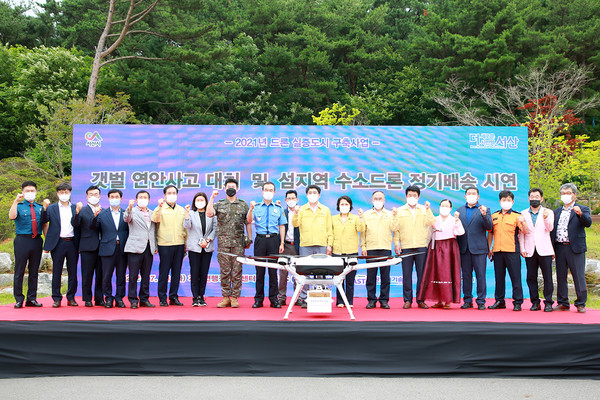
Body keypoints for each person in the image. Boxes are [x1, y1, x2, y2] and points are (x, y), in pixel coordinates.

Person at [207, 178, 252, 308]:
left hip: (238, 243)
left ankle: (235, 298)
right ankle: (225, 297)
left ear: (237, 189)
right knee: (225, 271)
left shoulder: (243, 204)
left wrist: (249, 239)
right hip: (223, 243)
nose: (231, 188)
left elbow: (248, 222)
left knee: (237, 271)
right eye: (228, 186)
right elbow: (209, 213)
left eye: (233, 186)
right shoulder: (219, 204)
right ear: (225, 189)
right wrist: (211, 198)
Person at [550, 183, 592, 313]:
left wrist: (580, 214)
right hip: (559, 247)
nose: (565, 195)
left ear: (574, 194)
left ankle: (580, 303)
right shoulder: (556, 211)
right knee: (560, 275)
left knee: (578, 275)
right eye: (563, 193)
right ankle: (563, 302)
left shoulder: (582, 209)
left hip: (575, 247)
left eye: (568, 193)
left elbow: (588, 223)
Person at [417, 200, 465, 309]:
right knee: (436, 273)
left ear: (451, 208)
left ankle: (447, 300)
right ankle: (439, 300)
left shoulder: (454, 219)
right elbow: (429, 233)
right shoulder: (435, 219)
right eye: (442, 205)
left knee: (447, 273)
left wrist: (457, 221)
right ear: (439, 207)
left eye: (447, 206)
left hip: (449, 248)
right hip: (435, 247)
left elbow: (461, 232)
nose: (444, 208)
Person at [291, 184, 333, 308]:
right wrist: (296, 213)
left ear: (319, 195)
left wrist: (329, 245)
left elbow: (329, 229)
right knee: (305, 273)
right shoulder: (302, 209)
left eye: (315, 192)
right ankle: (303, 298)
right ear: (307, 195)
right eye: (310, 193)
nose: (312, 195)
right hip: (306, 245)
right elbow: (295, 223)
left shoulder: (325, 210)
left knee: (321, 273)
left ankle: (322, 298)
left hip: (321, 244)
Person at [394, 185, 435, 309]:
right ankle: (407, 300)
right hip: (406, 246)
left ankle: (421, 299)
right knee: (406, 274)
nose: (412, 198)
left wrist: (428, 210)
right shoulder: (400, 211)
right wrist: (397, 243)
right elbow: (396, 229)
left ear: (418, 197)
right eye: (410, 195)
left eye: (415, 196)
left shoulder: (424, 209)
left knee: (422, 275)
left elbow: (432, 222)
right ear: (406, 196)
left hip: (421, 246)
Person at [247, 182, 286, 309]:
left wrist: (281, 242)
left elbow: (281, 226)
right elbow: (248, 221)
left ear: (274, 192)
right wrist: (251, 209)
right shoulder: (256, 207)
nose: (268, 192)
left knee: (273, 272)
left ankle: (274, 299)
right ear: (262, 191)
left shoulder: (278, 208)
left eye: (271, 190)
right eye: (266, 190)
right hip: (260, 240)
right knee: (259, 271)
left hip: (274, 240)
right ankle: (258, 299)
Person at [487, 190, 528, 311]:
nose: (506, 202)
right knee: (499, 278)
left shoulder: (517, 216)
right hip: (497, 251)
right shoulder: (494, 216)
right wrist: (489, 248)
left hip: (512, 251)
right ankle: (499, 301)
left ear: (513, 202)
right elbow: (490, 233)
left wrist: (523, 222)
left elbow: (525, 231)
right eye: (504, 200)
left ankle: (517, 302)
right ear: (500, 201)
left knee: (515, 277)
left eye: (508, 200)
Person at [9, 181, 47, 308]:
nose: (30, 193)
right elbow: (12, 216)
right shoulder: (19, 206)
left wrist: (48, 243)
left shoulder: (40, 207)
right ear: (23, 192)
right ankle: (19, 298)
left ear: (36, 192)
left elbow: (44, 224)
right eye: (27, 191)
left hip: (36, 240)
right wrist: (15, 201)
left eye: (32, 191)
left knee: (34, 271)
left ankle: (32, 298)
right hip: (22, 240)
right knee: (19, 271)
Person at [43, 182, 80, 308]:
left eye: (66, 192)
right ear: (57, 194)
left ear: (70, 193)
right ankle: (57, 298)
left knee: (73, 272)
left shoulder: (75, 207)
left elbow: (78, 225)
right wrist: (44, 208)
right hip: (58, 243)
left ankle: (71, 297)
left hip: (72, 243)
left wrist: (78, 213)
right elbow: (43, 221)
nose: (64, 194)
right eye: (61, 192)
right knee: (57, 272)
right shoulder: (51, 208)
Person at [518, 188, 555, 312]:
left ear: (541, 199)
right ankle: (535, 302)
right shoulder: (523, 213)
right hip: (529, 250)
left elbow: (550, 228)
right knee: (531, 277)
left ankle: (548, 302)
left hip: (544, 249)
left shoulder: (548, 212)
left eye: (537, 196)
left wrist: (545, 218)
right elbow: (522, 233)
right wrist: (522, 248)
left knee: (547, 277)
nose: (534, 198)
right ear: (528, 199)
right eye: (532, 196)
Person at [362, 190, 400, 309]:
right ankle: (371, 300)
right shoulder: (366, 214)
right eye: (376, 198)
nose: (378, 201)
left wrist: (394, 216)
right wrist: (363, 246)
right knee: (371, 277)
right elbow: (363, 232)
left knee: (385, 276)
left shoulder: (390, 214)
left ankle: (384, 300)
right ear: (372, 200)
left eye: (380, 198)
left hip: (385, 248)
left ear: (384, 200)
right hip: (371, 249)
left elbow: (395, 228)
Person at [456, 186, 492, 310]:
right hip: (464, 248)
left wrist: (484, 215)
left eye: (474, 193)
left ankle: (481, 301)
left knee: (480, 275)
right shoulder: (459, 210)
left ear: (478, 196)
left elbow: (489, 227)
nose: (471, 195)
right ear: (465, 196)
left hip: (479, 248)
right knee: (466, 275)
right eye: (469, 193)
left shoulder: (484, 209)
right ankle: (467, 300)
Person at [92, 189, 129, 308]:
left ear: (121, 198)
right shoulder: (102, 214)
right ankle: (108, 298)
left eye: (116, 196)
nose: (114, 199)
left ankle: (119, 298)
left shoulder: (126, 214)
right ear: (108, 198)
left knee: (121, 276)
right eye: (112, 197)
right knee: (106, 276)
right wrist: (94, 217)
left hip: (122, 248)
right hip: (107, 249)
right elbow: (94, 228)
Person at [151, 185, 187, 307]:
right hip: (164, 244)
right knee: (164, 272)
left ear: (177, 195)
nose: (171, 195)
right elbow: (154, 220)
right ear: (165, 195)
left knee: (176, 272)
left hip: (179, 244)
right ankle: (162, 298)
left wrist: (185, 243)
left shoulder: (181, 210)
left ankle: (173, 297)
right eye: (169, 193)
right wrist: (159, 207)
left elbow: (185, 228)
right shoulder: (160, 209)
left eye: (174, 193)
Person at [124, 190, 157, 308]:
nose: (143, 199)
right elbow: (126, 219)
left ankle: (144, 299)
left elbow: (154, 231)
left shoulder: (153, 213)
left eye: (145, 197)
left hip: (148, 248)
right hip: (135, 248)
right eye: (140, 197)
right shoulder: (131, 211)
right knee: (133, 276)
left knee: (146, 275)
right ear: (136, 200)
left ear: (149, 200)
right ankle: (133, 300)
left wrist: (155, 246)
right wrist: (129, 207)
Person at [72, 185, 104, 307]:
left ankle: (99, 298)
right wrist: (76, 213)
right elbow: (75, 224)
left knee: (100, 275)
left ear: (100, 196)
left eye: (96, 194)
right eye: (91, 194)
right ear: (86, 196)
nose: (94, 197)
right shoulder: (82, 210)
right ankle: (87, 298)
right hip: (87, 246)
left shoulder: (104, 210)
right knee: (87, 274)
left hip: (102, 247)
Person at [184, 192, 217, 307]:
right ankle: (194, 297)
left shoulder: (211, 214)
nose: (200, 202)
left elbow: (215, 229)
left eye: (202, 200)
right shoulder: (192, 213)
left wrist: (207, 240)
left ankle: (201, 296)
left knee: (204, 272)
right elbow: (186, 226)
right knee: (195, 272)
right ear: (194, 202)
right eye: (197, 200)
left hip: (207, 247)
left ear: (206, 201)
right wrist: (187, 214)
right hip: (194, 247)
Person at [331, 195, 364, 308]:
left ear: (350, 206)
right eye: (342, 204)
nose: (344, 206)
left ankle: (349, 301)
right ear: (338, 206)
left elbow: (361, 229)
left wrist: (361, 217)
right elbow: (330, 234)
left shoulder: (355, 218)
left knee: (350, 279)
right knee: (339, 279)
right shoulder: (333, 218)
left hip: (352, 252)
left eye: (346, 204)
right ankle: (340, 301)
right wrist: (329, 246)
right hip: (337, 252)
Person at [278, 190, 300, 306]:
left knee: (298, 273)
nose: (291, 200)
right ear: (285, 200)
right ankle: (281, 297)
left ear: (297, 200)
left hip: (297, 246)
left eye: (293, 198)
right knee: (283, 273)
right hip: (285, 245)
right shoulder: (282, 212)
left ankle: (298, 298)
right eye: (289, 198)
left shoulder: (301, 213)